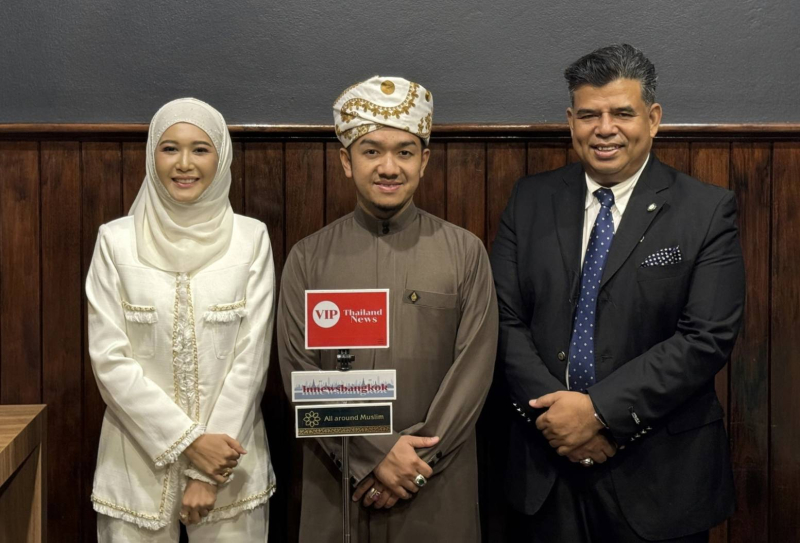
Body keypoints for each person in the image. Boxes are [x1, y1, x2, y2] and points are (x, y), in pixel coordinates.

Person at [491, 44, 745, 542]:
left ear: (653, 118)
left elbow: (706, 337)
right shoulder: (530, 199)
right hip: (544, 468)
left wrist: (597, 413)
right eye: (589, 115)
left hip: (659, 475)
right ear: (571, 121)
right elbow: (501, 318)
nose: (604, 128)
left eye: (622, 113)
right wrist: (558, 419)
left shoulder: (706, 210)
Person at [277, 76, 498, 543]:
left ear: (425, 161)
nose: (389, 167)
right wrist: (372, 456)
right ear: (346, 161)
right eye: (371, 151)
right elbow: (300, 375)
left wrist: (413, 463)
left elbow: (473, 373)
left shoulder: (465, 252)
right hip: (338, 481)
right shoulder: (308, 258)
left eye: (404, 152)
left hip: (435, 481)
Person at [86, 97, 275, 542]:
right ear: (152, 155)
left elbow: (250, 361)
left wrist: (208, 471)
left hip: (232, 463)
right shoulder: (115, 241)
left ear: (221, 158)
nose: (184, 164)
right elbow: (109, 360)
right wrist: (190, 443)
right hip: (134, 466)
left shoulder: (251, 239)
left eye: (200, 149)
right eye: (169, 148)